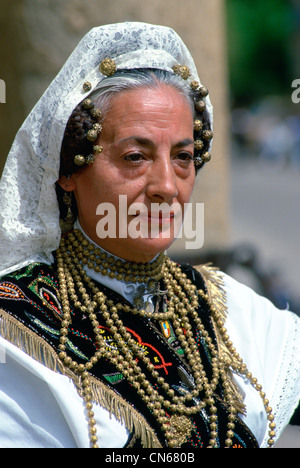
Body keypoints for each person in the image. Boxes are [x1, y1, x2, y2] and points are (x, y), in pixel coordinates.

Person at [0, 22, 299, 449]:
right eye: (135, 157)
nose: (167, 185)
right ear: (68, 170)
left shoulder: (236, 312)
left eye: (183, 157)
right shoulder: (17, 330)